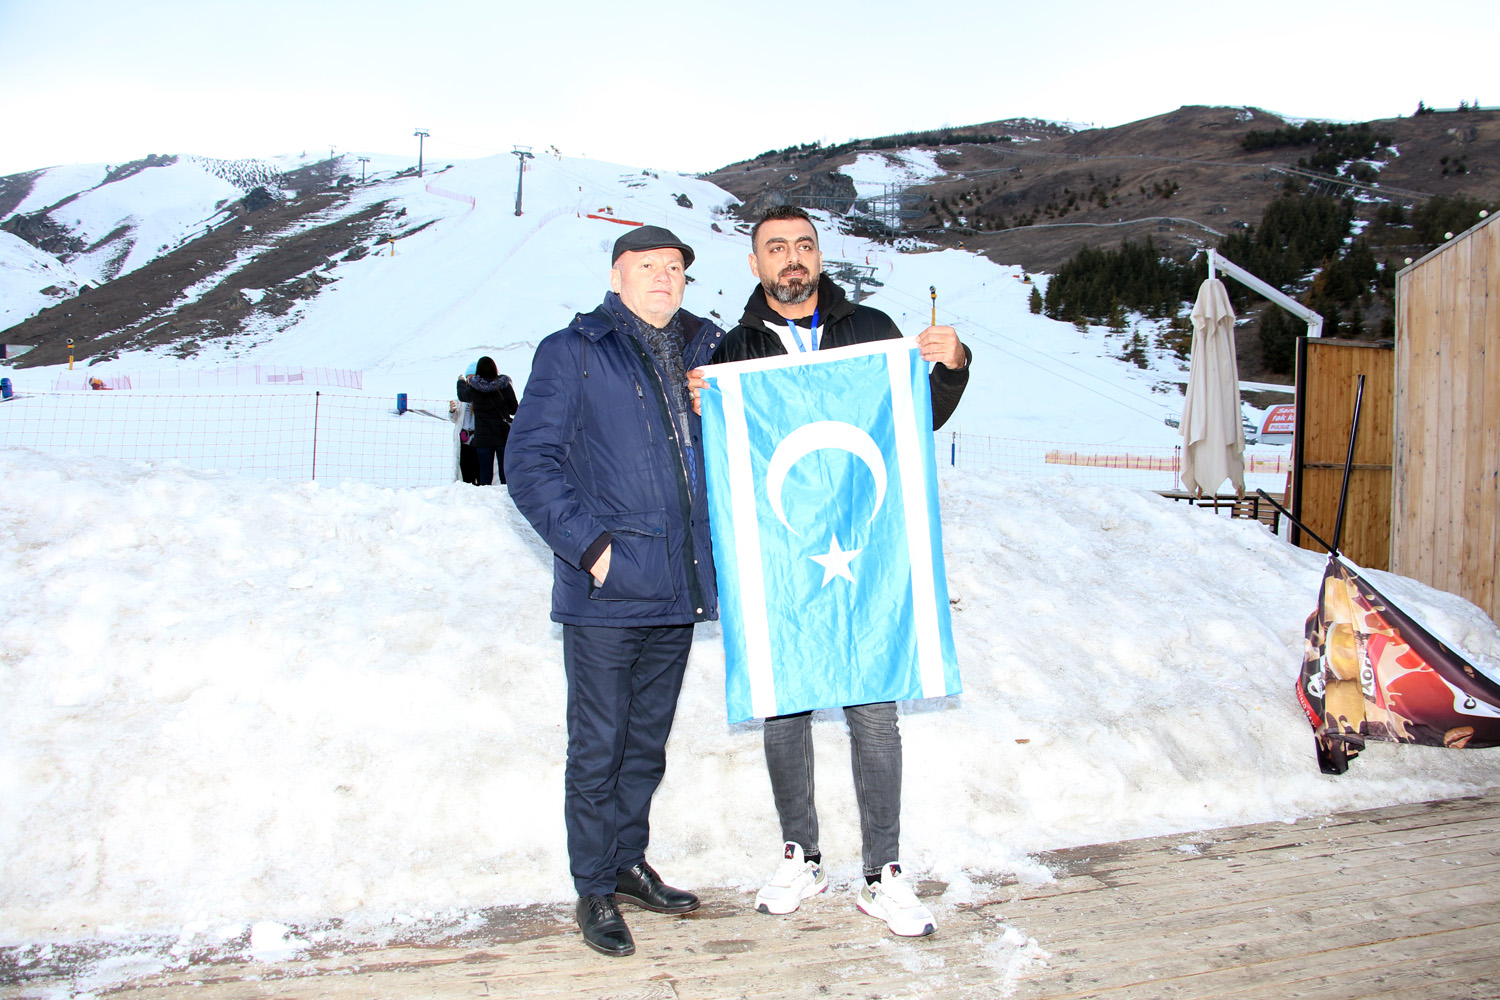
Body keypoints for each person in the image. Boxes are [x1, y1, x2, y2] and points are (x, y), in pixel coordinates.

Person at [705, 205, 971, 938]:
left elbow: (918, 416)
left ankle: (883, 872)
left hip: (866, 545)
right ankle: (802, 855)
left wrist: (952, 364)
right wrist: (706, 406)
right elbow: (724, 450)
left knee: (874, 707)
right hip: (784, 552)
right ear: (755, 265)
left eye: (804, 245)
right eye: (776, 248)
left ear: (819, 257)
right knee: (784, 702)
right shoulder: (734, 348)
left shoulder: (872, 329)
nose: (792, 258)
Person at [505, 226, 723, 958]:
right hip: (609, 591)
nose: (664, 276)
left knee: (645, 746)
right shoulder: (574, 351)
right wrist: (593, 551)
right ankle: (594, 886)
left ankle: (628, 862)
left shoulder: (706, 351)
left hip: (678, 584)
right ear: (616, 275)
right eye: (647, 265)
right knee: (598, 746)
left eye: (675, 267)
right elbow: (528, 463)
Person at [457, 356, 517, 485]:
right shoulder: (504, 385)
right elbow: (514, 409)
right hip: (502, 434)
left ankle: (486, 496)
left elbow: (463, 396)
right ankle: (506, 495)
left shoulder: (475, 387)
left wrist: (461, 382)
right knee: (505, 474)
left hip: (483, 436)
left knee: (485, 475)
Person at [450, 361, 480, 485]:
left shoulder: (481, 396)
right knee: (465, 470)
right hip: (464, 440)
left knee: (478, 469)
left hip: (477, 438)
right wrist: (452, 411)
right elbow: (454, 419)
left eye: (473, 377)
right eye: (469, 378)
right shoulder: (462, 398)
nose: (470, 381)